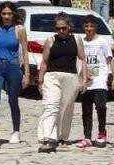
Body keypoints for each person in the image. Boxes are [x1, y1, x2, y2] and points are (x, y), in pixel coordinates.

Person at [36, 14, 88, 153]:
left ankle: (62, 137)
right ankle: (47, 137)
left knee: (66, 107)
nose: (61, 31)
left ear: (69, 27)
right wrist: (40, 80)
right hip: (52, 76)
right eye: (58, 28)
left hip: (70, 77)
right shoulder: (51, 40)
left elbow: (83, 59)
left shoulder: (77, 40)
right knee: (51, 105)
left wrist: (84, 80)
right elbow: (44, 62)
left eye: (63, 28)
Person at [0, 2, 29, 149]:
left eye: (9, 14)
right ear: (0, 15)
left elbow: (25, 52)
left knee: (13, 100)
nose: (7, 17)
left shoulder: (19, 30)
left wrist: (27, 73)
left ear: (14, 14)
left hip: (13, 67)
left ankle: (16, 131)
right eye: (4, 14)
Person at [76, 17, 114, 148]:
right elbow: (78, 59)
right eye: (86, 26)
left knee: (101, 107)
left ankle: (102, 133)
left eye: (91, 26)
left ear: (95, 27)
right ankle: (87, 137)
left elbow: (110, 59)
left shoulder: (102, 41)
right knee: (86, 109)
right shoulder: (81, 41)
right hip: (86, 80)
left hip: (99, 79)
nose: (89, 29)